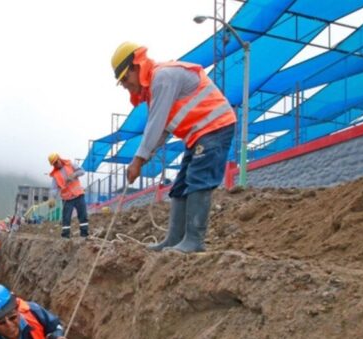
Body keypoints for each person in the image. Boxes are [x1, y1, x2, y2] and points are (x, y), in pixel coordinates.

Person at [111, 42, 236, 252]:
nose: (124, 85)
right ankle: (175, 239)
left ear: (136, 66)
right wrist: (146, 155)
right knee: (180, 186)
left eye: (125, 78)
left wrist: (138, 160)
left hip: (214, 127)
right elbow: (162, 130)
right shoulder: (155, 87)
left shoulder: (162, 78)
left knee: (198, 179)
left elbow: (155, 124)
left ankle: (193, 241)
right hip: (198, 135)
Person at [48, 153, 88, 238]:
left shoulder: (70, 164)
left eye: (56, 162)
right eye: (54, 164)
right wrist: (52, 198)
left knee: (83, 215)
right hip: (67, 198)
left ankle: (84, 235)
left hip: (78, 195)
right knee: (66, 218)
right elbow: (54, 189)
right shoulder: (55, 175)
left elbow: (82, 171)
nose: (56, 164)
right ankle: (65, 236)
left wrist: (74, 175)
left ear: (59, 158)